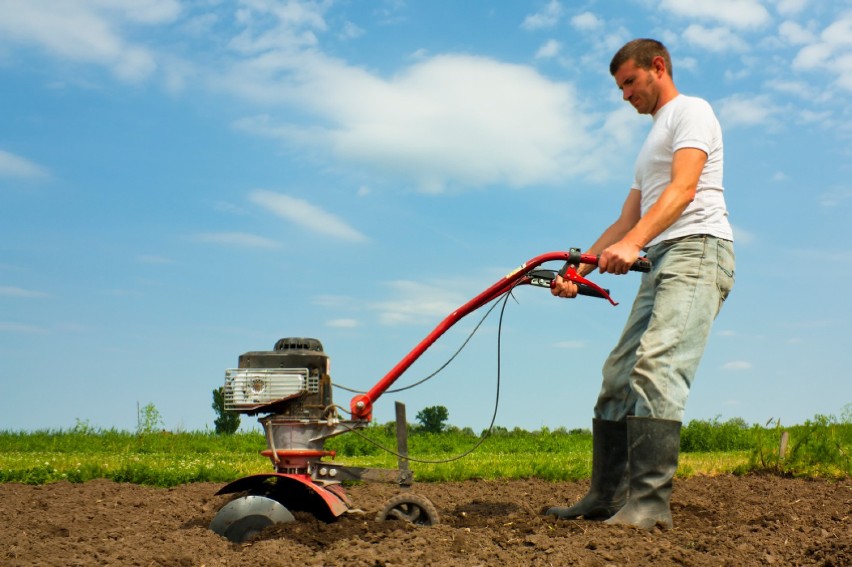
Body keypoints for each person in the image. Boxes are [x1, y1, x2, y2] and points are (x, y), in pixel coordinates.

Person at [545, 38, 735, 530]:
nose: (624, 94)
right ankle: (606, 497)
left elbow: (684, 189)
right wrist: (576, 271)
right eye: (619, 86)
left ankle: (650, 505)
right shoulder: (649, 142)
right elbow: (626, 219)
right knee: (618, 376)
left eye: (629, 82)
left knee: (657, 366)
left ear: (658, 67)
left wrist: (634, 245)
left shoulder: (692, 112)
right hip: (659, 259)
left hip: (698, 250)